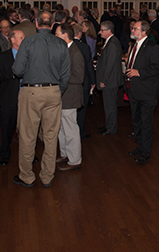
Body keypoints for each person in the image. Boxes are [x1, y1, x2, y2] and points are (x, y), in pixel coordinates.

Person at [12, 11, 70, 188]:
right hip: (53, 92)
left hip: (31, 93)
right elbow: (66, 74)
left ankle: (27, 176)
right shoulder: (61, 44)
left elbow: (17, 70)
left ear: (36, 24)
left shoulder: (28, 42)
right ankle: (47, 176)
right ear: (53, 25)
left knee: (28, 136)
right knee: (51, 137)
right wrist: (56, 90)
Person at [126, 20, 159, 163]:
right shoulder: (135, 45)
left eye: (135, 28)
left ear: (143, 31)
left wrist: (138, 72)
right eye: (132, 28)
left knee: (146, 123)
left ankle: (145, 153)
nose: (132, 30)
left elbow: (158, 67)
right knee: (136, 122)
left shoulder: (152, 47)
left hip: (147, 93)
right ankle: (139, 146)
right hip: (134, 90)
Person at [55, 23, 84, 171]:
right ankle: (65, 154)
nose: (55, 37)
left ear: (65, 36)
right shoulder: (65, 49)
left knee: (70, 129)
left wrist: (60, 77)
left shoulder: (75, 53)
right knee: (61, 128)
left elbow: (79, 77)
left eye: (57, 35)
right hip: (62, 96)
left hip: (70, 97)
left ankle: (74, 160)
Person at [0, 29, 25, 167]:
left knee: (27, 130)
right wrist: (13, 74)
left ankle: (30, 155)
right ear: (12, 40)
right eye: (21, 38)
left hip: (26, 98)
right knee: (6, 128)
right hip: (8, 98)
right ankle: (5, 155)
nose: (24, 40)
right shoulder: (2, 57)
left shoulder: (28, 56)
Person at [96, 21, 123, 135]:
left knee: (110, 106)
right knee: (108, 105)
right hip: (110, 80)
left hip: (110, 81)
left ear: (109, 31)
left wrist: (104, 80)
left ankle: (111, 129)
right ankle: (108, 125)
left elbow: (110, 65)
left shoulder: (112, 43)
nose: (99, 32)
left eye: (102, 30)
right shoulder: (110, 41)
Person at [71, 22, 96, 139]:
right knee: (83, 108)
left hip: (70, 83)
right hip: (84, 82)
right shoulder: (84, 47)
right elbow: (89, 66)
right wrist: (93, 81)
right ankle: (80, 132)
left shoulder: (67, 46)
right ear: (80, 33)